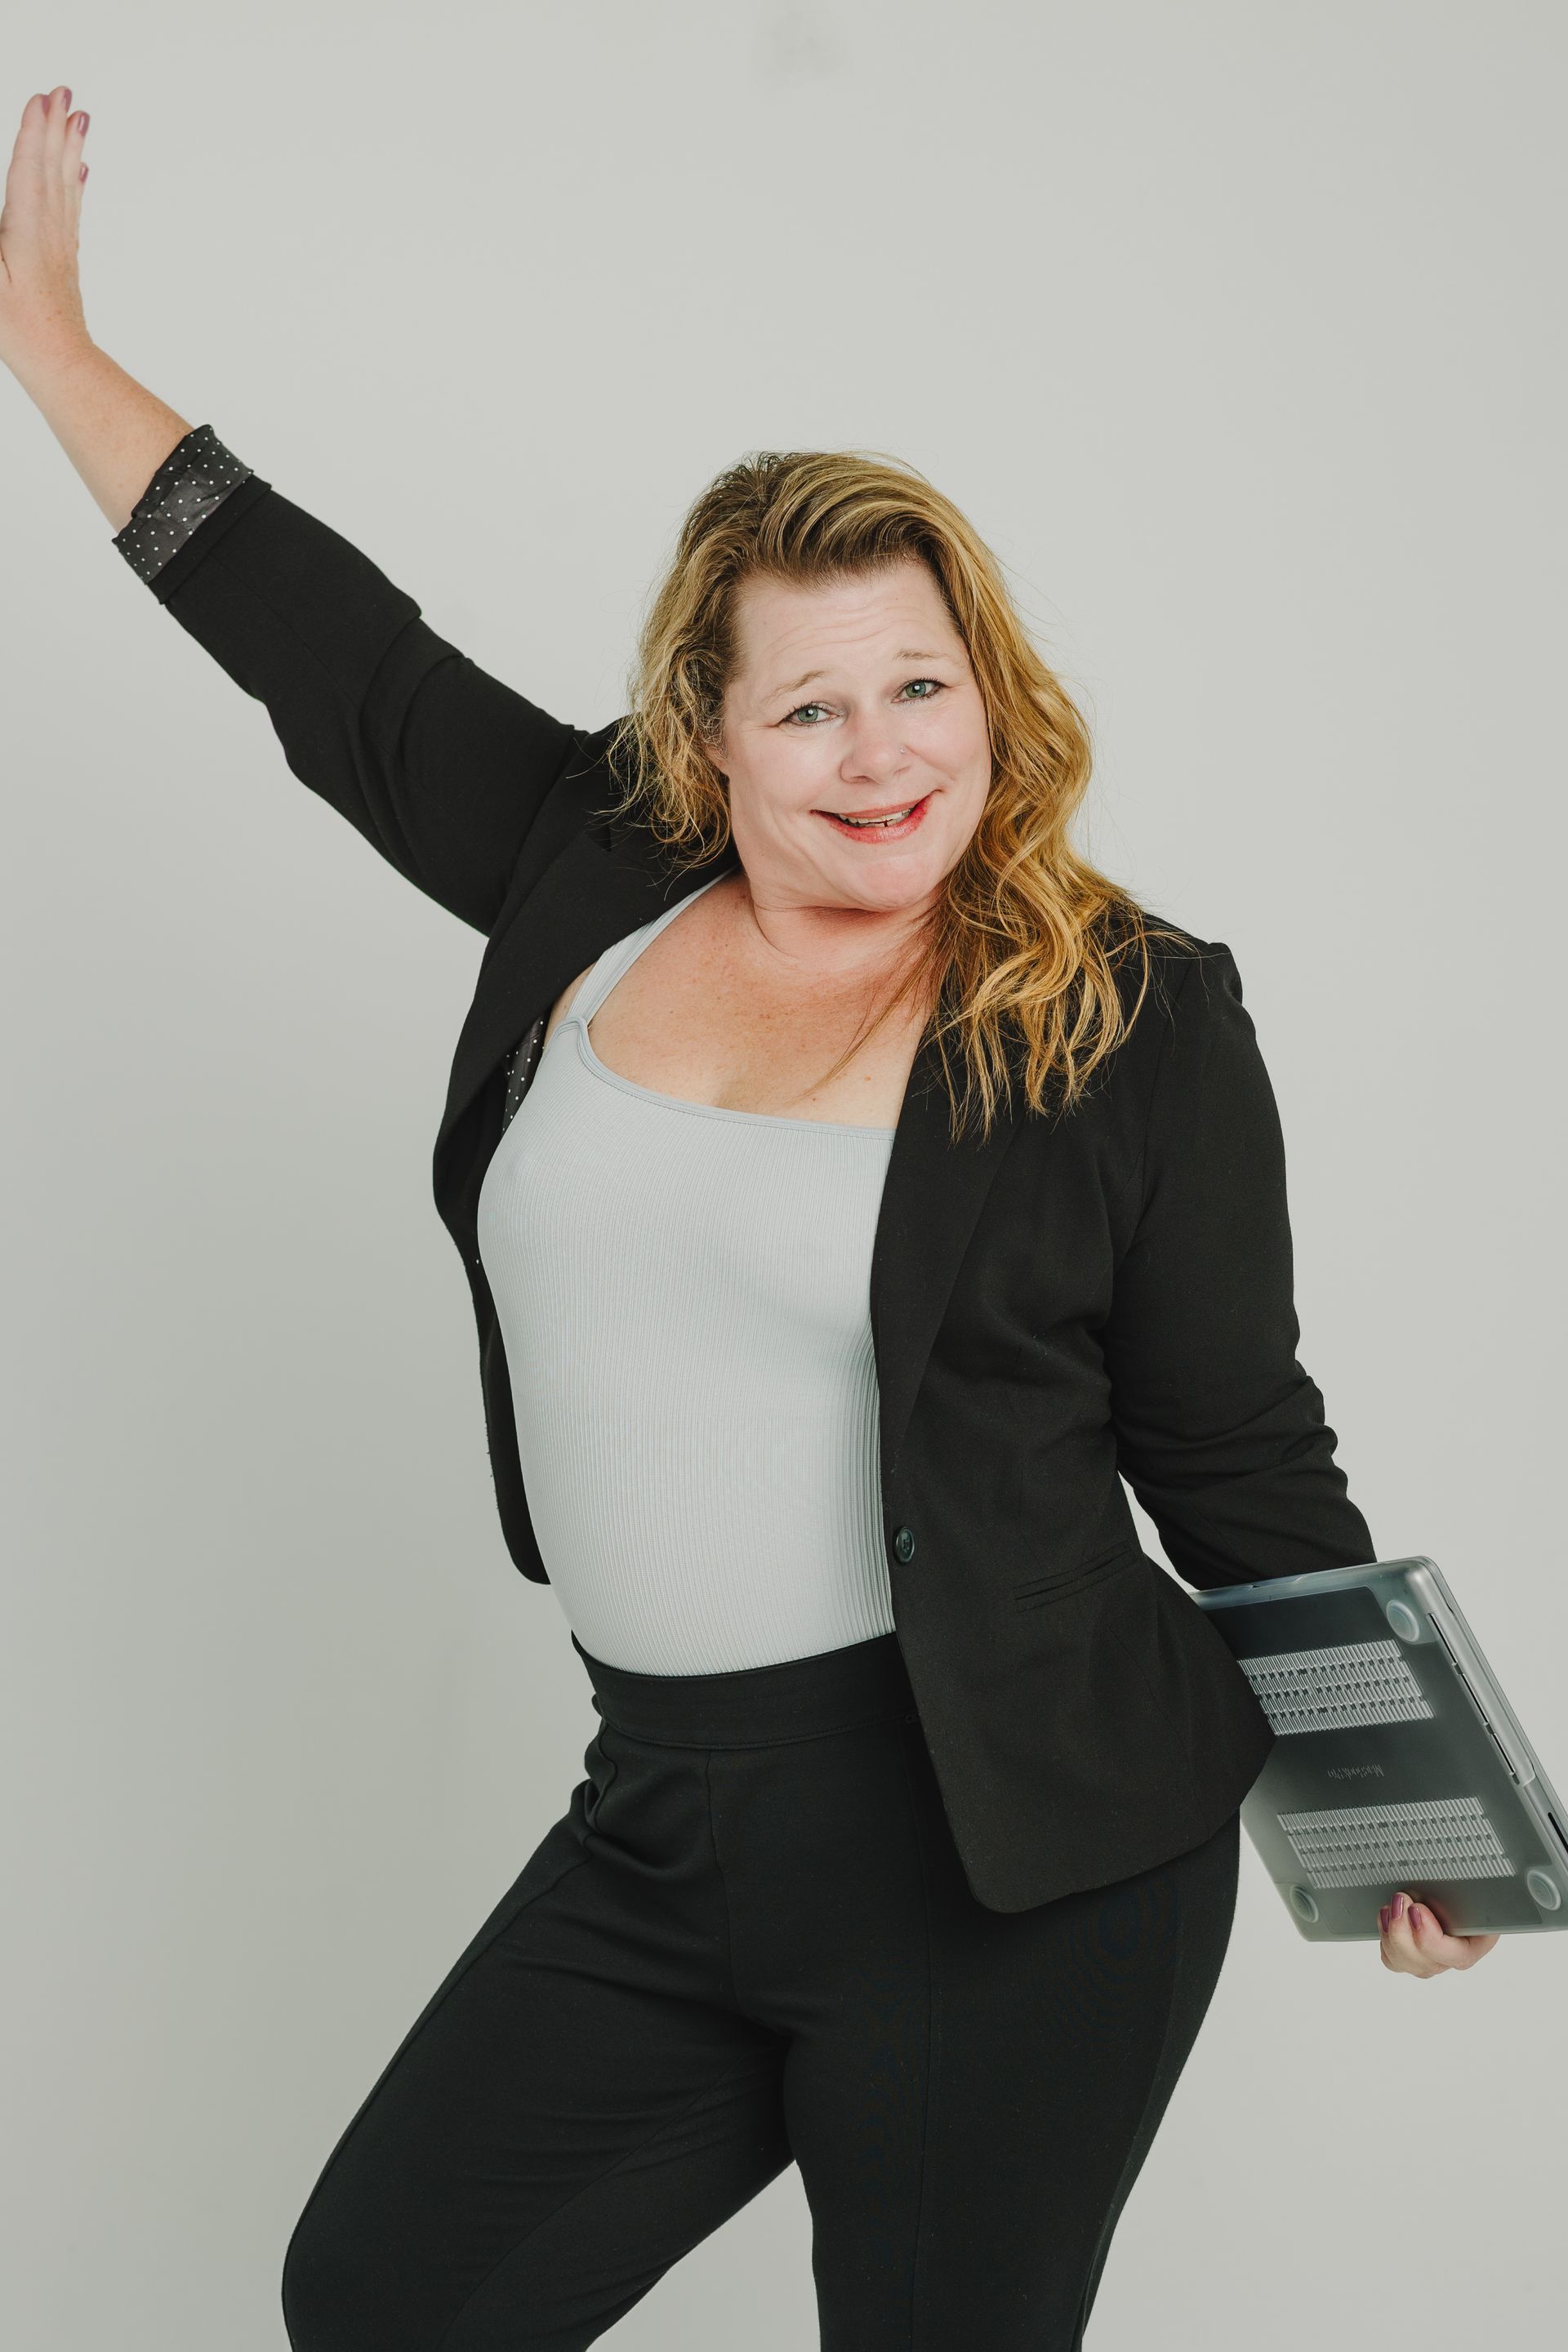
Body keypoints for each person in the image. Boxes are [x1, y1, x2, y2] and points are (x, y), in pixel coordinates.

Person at [4, 82, 1500, 2352]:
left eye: (923, 685)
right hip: (672, 1816)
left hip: (1017, 1853)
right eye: (810, 705)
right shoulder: (590, 877)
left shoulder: (1131, 1020)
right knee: (387, 2299)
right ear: (707, 742)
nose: (882, 753)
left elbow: (1237, 1454)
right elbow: (340, 660)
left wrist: (1418, 1808)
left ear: (991, 695)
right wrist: (52, 347)